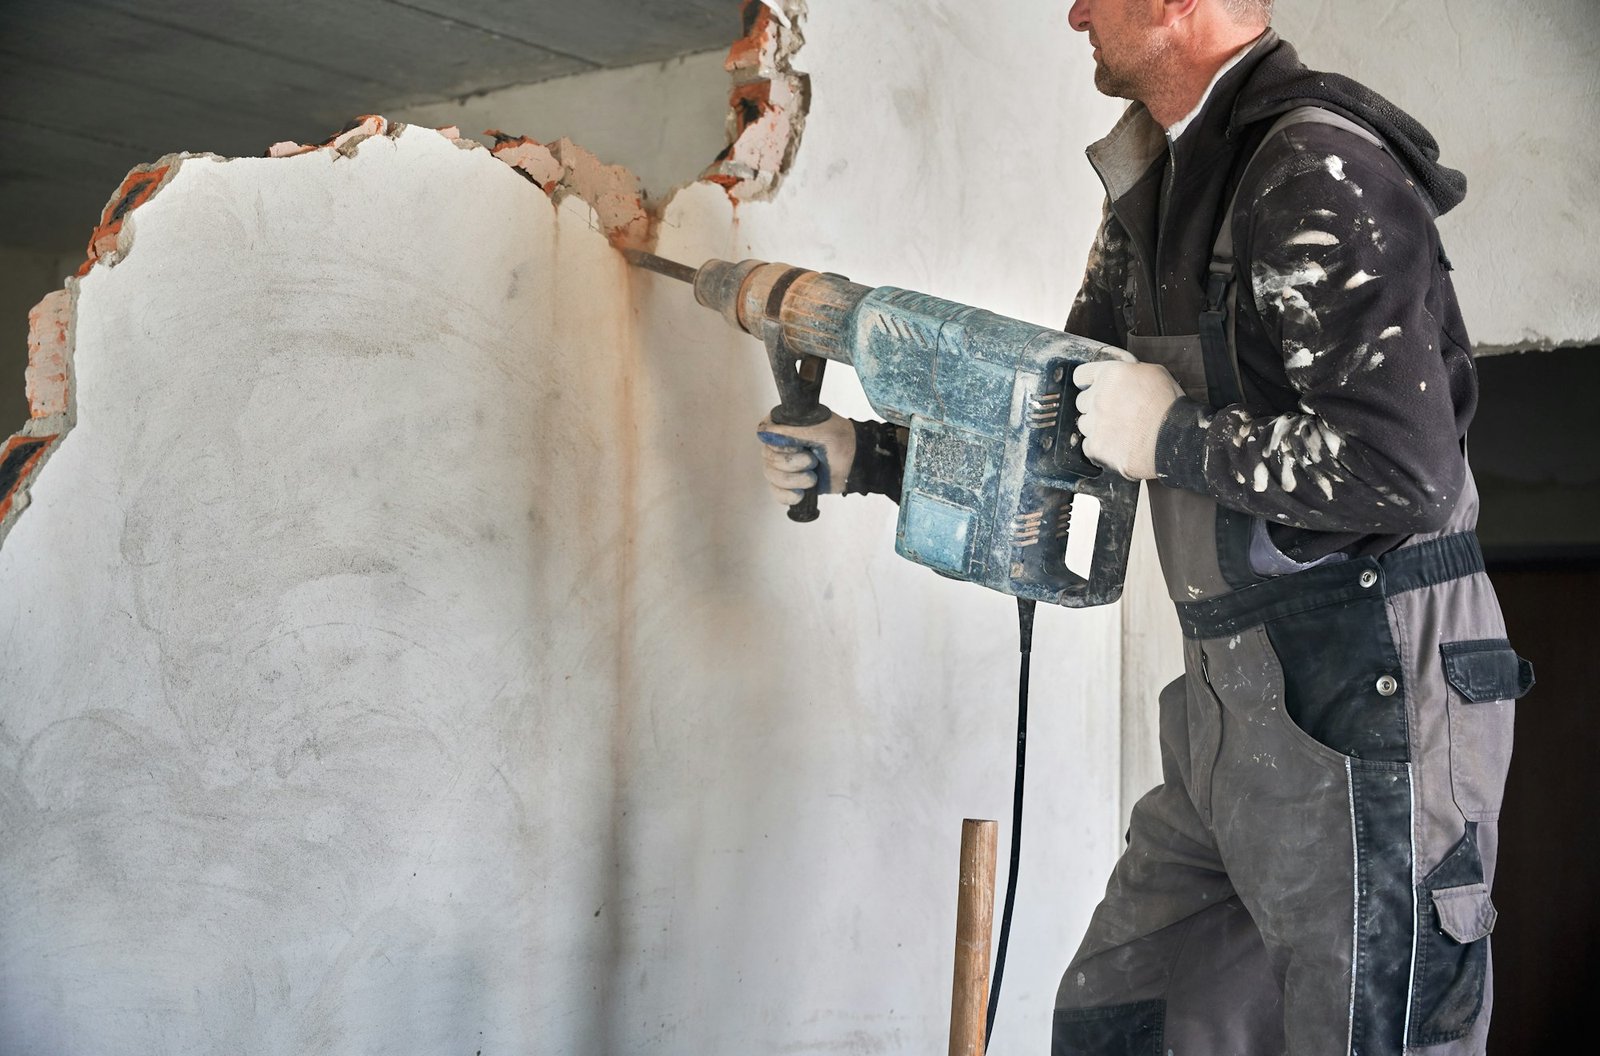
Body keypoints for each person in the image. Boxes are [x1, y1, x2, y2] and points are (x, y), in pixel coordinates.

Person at [756, 0, 1530, 1052]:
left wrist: (1175, 441)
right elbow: (1068, 411)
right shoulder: (1160, 189)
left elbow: (1403, 475)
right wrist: (870, 454)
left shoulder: (1314, 169)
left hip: (1369, 688)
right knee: (1129, 1015)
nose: (1073, 10)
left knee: (1369, 1032)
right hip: (1227, 692)